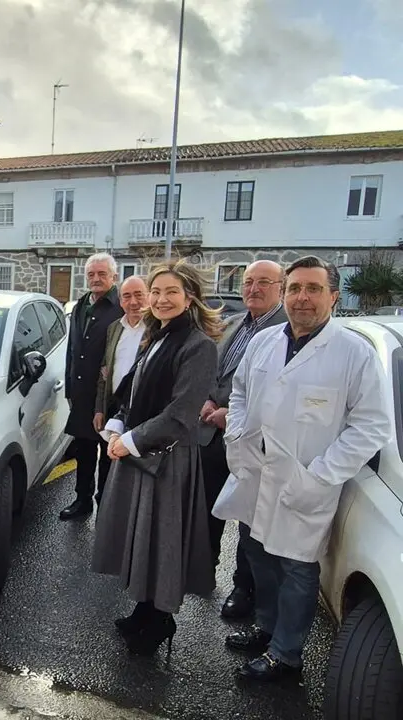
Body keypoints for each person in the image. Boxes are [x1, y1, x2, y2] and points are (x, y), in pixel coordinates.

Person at [214, 255, 391, 681]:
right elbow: (239, 393)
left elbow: (371, 426)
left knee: (297, 568)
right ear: (285, 294)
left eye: (313, 289)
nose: (302, 298)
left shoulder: (353, 353)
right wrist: (235, 434)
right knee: (257, 554)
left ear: (334, 297)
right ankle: (267, 627)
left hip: (305, 479)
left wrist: (320, 475)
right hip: (255, 472)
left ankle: (286, 655)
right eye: (294, 288)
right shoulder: (264, 341)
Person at [91, 260, 221, 655]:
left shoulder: (199, 346)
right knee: (142, 537)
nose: (162, 299)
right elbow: (130, 393)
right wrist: (117, 426)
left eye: (172, 292)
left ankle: (161, 619)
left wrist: (129, 440)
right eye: (157, 292)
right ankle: (144, 609)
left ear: (190, 298)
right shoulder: (156, 337)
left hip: (168, 460)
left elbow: (181, 415)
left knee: (162, 541)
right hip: (141, 454)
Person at [199, 260, 287, 621]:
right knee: (207, 506)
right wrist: (206, 398)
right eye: (249, 281)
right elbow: (212, 369)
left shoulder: (288, 332)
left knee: (248, 520)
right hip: (211, 435)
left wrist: (231, 415)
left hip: (254, 442)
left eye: (264, 282)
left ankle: (243, 587)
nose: (253, 288)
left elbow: (281, 393)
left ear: (280, 288)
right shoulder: (234, 323)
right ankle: (204, 567)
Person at [62, 253, 124, 519]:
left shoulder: (120, 305)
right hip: (81, 392)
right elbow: (72, 349)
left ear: (114, 277)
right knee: (84, 452)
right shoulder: (81, 305)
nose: (96, 279)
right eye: (91, 274)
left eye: (102, 274)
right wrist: (69, 389)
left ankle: (105, 506)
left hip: (109, 396)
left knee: (108, 454)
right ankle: (82, 500)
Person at [94, 275, 148, 436]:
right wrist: (99, 409)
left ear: (149, 296)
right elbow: (104, 372)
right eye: (127, 296)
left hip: (143, 412)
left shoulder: (157, 328)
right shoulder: (114, 328)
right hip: (114, 408)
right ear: (120, 301)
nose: (133, 302)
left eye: (139, 295)